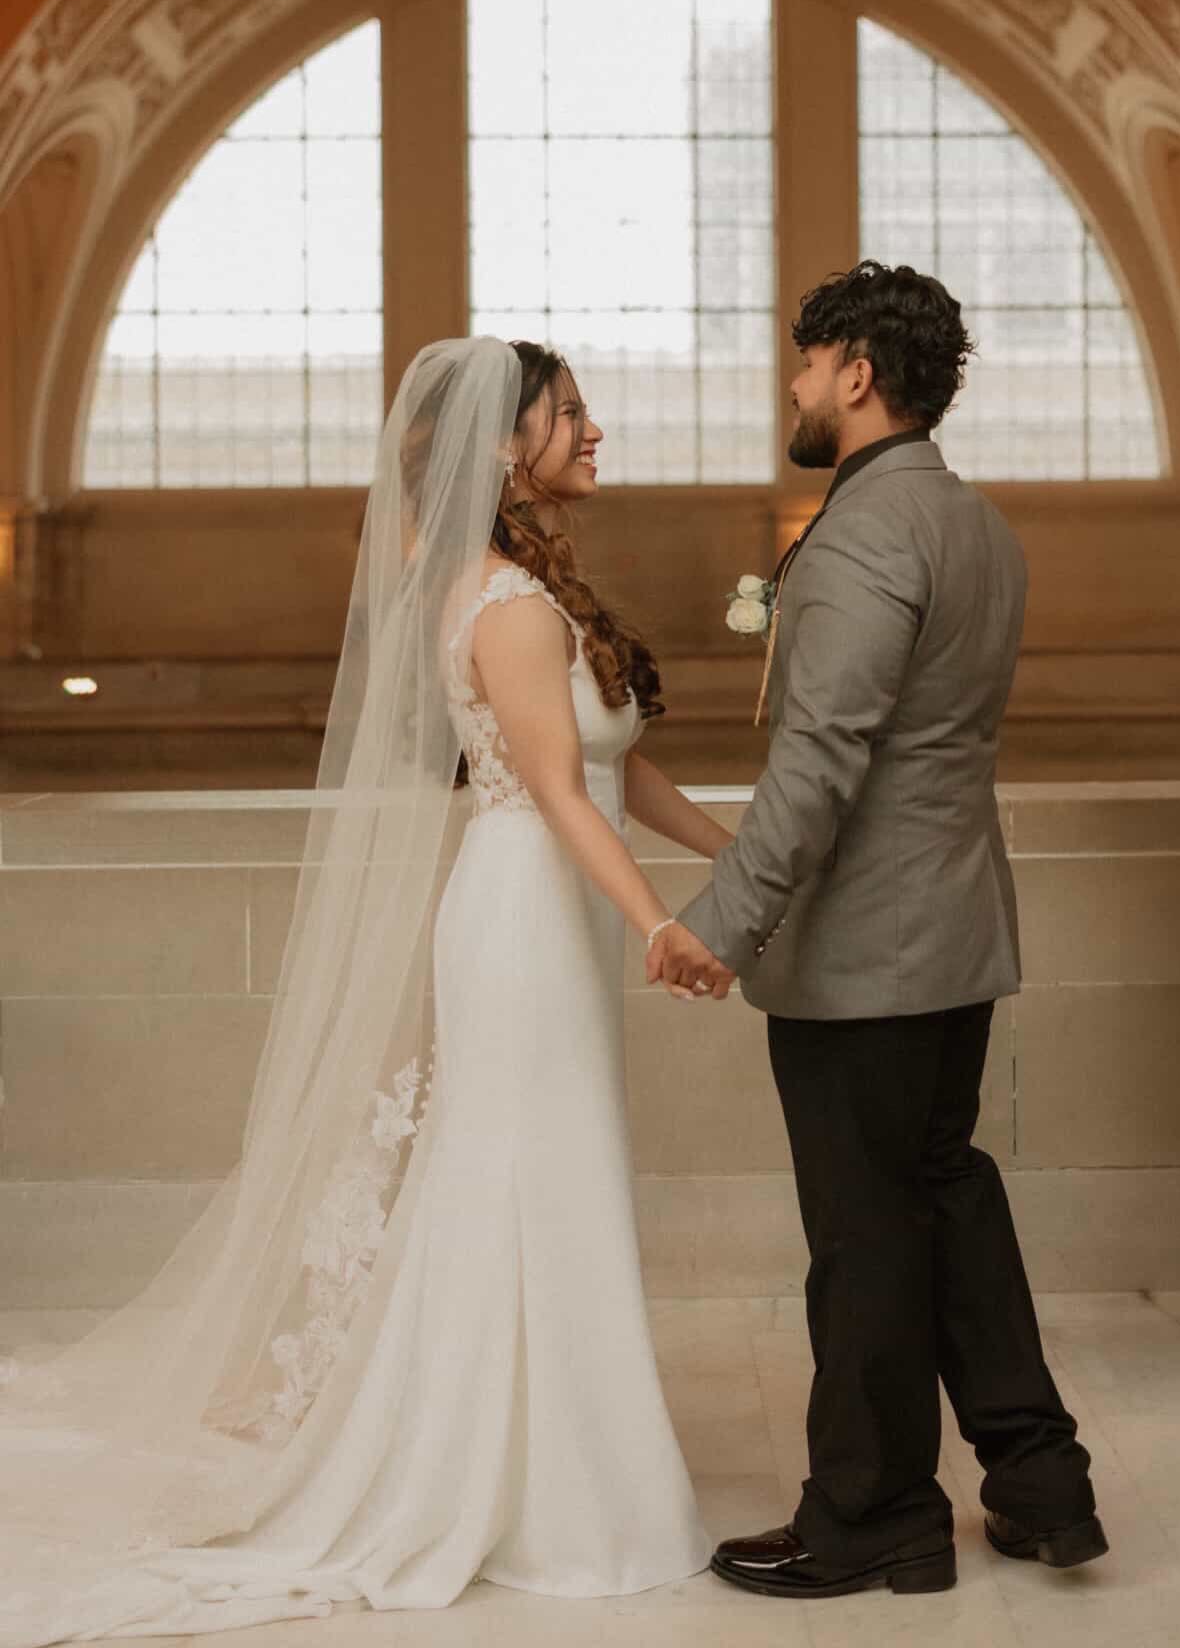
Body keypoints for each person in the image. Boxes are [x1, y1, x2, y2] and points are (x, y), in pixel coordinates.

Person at [0, 336, 726, 1642]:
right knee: (519, 1173)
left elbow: (622, 777)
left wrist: (749, 859)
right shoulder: (502, 605)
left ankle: (548, 1472)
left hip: (551, 906)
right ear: (506, 447)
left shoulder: (528, 594)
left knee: (554, 1173)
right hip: (522, 912)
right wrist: (657, 925)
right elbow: (557, 792)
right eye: (573, 415)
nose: (597, 432)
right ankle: (523, 1492)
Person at [649, 262, 1108, 1599]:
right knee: (943, 1199)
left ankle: (871, 1514)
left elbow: (822, 761)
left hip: (868, 953)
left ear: (858, 375)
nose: (793, 383)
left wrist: (719, 921)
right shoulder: (974, 523)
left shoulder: (861, 534)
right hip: (956, 925)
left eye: (808, 360)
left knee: (863, 1237)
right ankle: (1038, 1482)